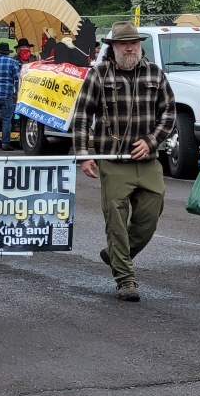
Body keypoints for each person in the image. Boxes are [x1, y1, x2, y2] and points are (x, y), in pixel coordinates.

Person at [72, 21, 176, 302]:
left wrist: (152, 141)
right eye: (123, 43)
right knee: (116, 219)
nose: (129, 47)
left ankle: (115, 255)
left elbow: (169, 113)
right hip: (113, 159)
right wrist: (83, 155)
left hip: (148, 159)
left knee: (150, 216)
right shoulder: (99, 74)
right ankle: (125, 279)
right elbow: (82, 116)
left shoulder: (155, 73)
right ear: (112, 47)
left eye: (134, 42)